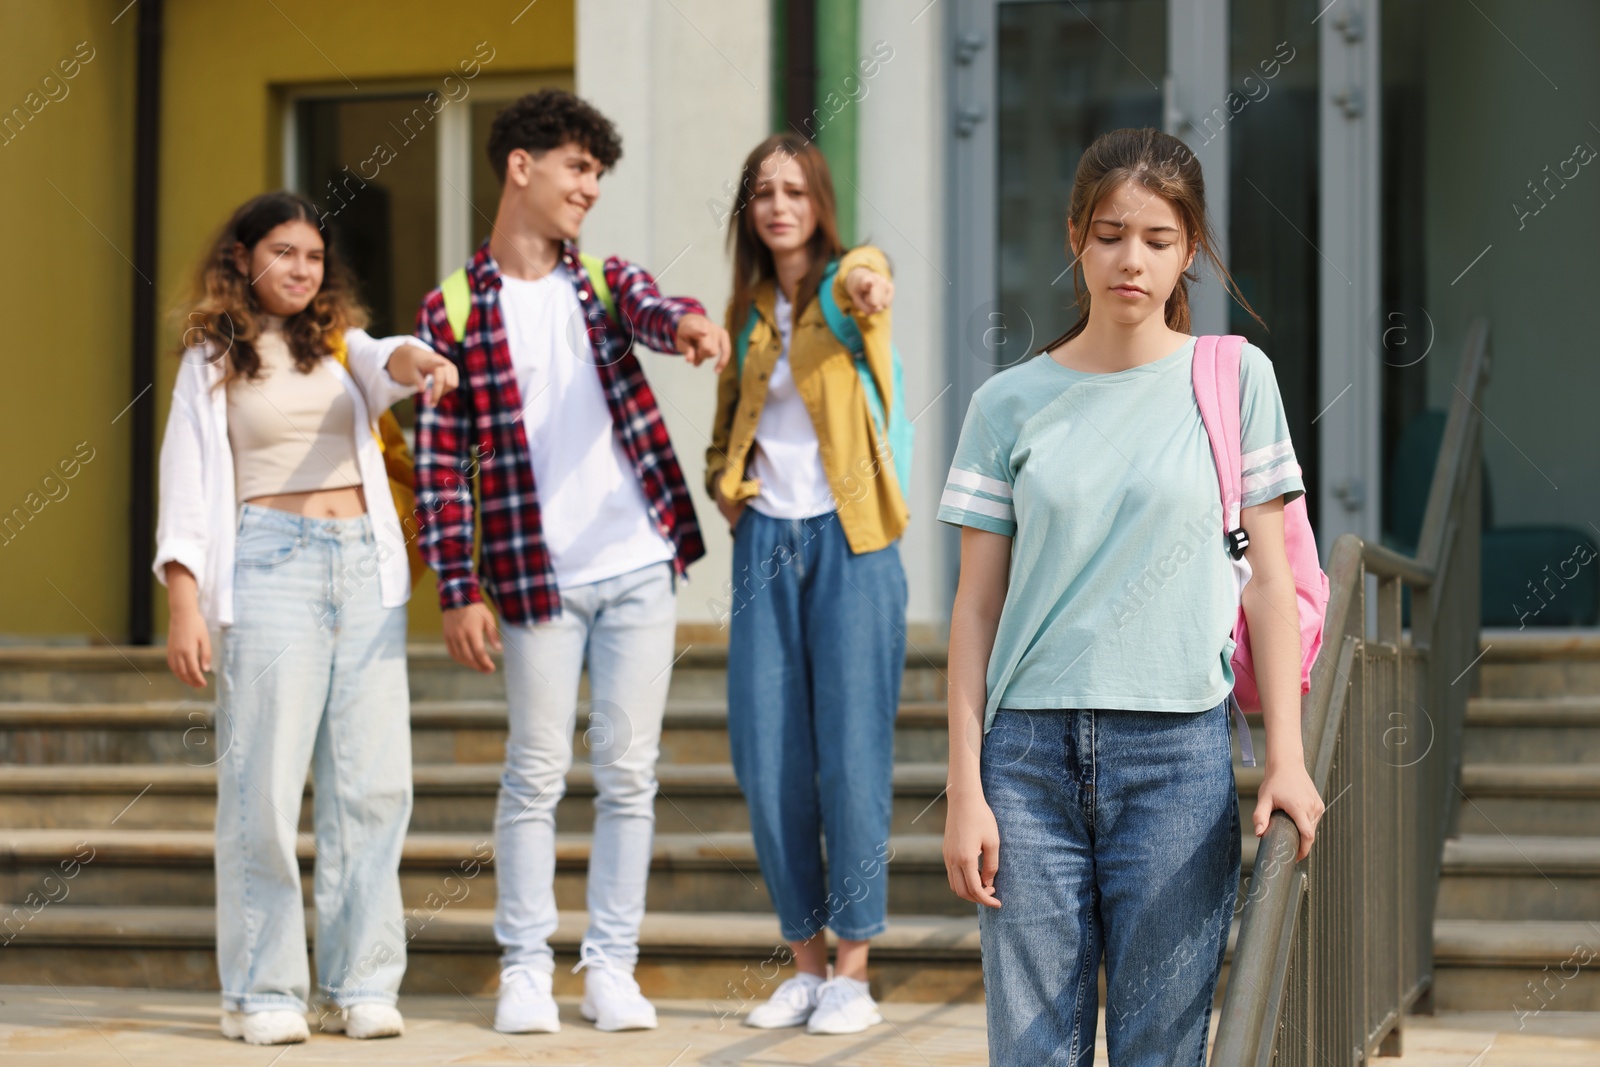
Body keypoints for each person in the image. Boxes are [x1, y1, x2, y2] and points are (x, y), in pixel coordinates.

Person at [939, 127, 1326, 1064]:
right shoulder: (1007, 404)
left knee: (1162, 1046)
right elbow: (974, 613)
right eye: (1111, 233)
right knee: (1033, 1051)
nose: (1132, 259)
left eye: (1158, 239)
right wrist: (964, 786)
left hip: (1177, 755)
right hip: (1024, 761)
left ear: (1190, 249)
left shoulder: (1237, 381)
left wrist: (1286, 754)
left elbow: (1272, 585)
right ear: (1075, 235)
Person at [411, 89, 729, 1035]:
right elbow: (437, 465)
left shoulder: (601, 282)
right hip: (532, 578)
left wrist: (692, 328)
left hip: (637, 563)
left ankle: (611, 966)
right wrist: (456, 587)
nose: (590, 188)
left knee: (630, 772)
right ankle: (523, 969)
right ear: (523, 166)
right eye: (578, 168)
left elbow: (658, 307)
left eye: (598, 173)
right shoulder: (454, 308)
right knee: (536, 771)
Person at [154, 191, 459, 1046]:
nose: (300, 269)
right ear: (243, 257)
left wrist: (422, 362)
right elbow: (184, 481)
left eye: (314, 256)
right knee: (263, 787)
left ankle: (360, 982)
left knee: (373, 785)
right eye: (284, 252)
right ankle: (264, 991)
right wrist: (185, 599)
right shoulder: (215, 354)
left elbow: (384, 357)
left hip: (363, 568)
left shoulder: (335, 345)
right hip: (267, 565)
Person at [705, 132, 908, 1036]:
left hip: (853, 542)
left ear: (819, 201)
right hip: (766, 546)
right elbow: (723, 430)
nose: (778, 205)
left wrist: (869, 284)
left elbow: (870, 275)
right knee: (767, 753)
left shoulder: (843, 288)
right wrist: (727, 487)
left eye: (794, 190)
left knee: (851, 755)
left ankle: (854, 971)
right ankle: (806, 963)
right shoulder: (748, 310)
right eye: (762, 193)